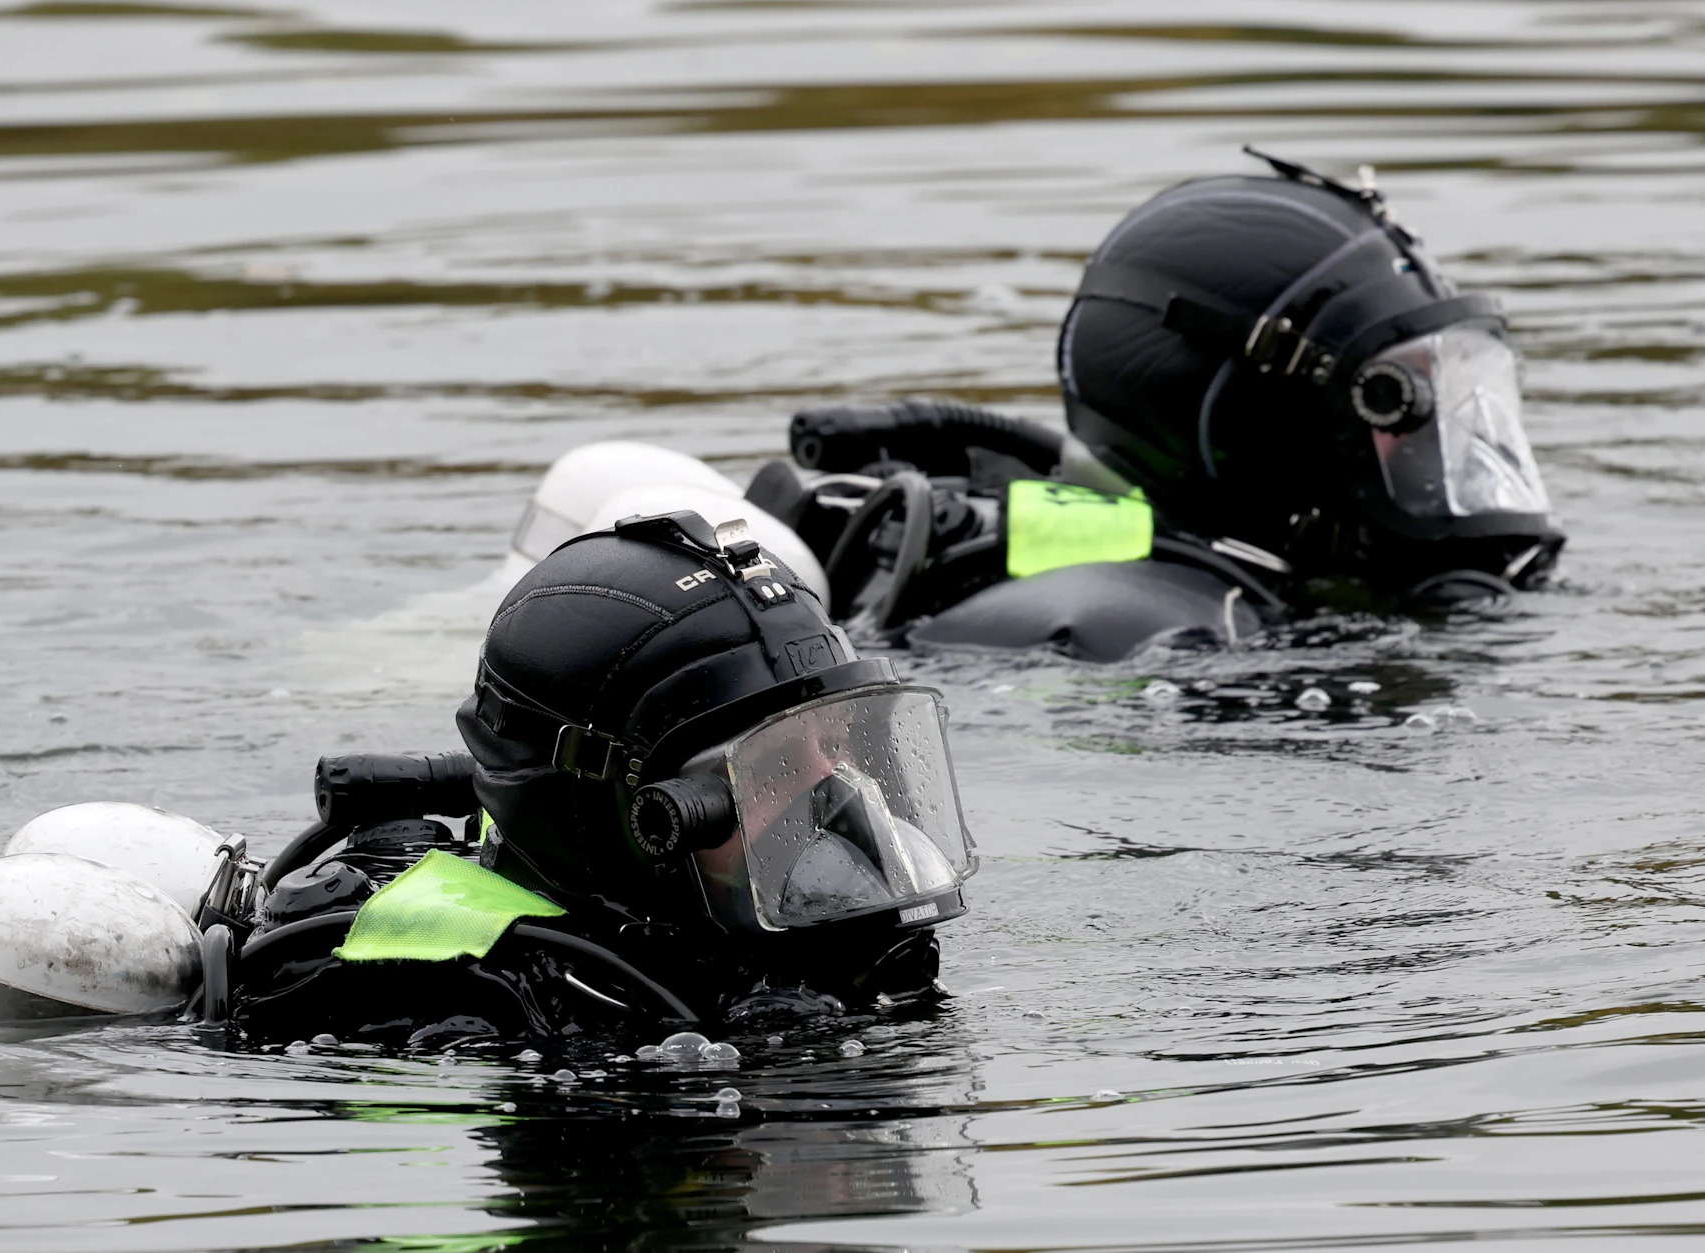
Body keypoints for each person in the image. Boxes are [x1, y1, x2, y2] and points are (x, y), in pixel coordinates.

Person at [742, 150, 1566, 662]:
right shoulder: (1159, 631)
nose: (1438, 450)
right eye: (1397, 404)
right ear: (1262, 432)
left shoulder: (1225, 578)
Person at [222, 509, 979, 1048]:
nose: (828, 783)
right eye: (770, 762)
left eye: (838, 739)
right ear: (628, 819)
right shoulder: (497, 1008)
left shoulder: (777, 938)